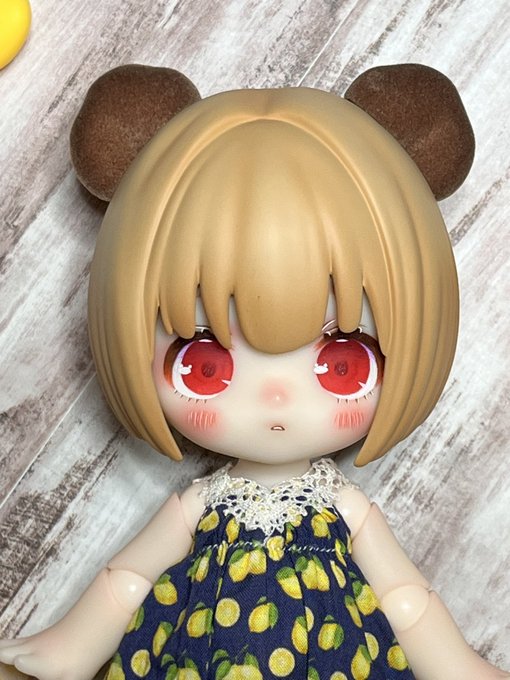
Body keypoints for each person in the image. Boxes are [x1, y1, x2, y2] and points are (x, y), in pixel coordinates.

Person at [1, 74, 507, 680]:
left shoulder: (340, 507)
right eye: (206, 367)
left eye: (342, 366)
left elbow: (404, 600)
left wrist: (457, 666)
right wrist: (66, 649)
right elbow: (128, 581)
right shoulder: (205, 506)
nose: (274, 396)